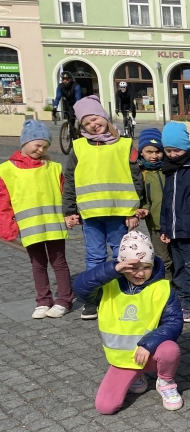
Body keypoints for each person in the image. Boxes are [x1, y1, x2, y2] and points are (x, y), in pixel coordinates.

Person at [73, 231, 184, 415]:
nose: (140, 273)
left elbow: (174, 322)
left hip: (149, 353)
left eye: (146, 267)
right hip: (124, 359)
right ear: (122, 266)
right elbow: (80, 286)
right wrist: (112, 269)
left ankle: (165, 381)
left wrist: (148, 344)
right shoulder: (108, 287)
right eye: (133, 267)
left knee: (170, 350)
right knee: (105, 407)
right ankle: (136, 376)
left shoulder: (163, 287)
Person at [62, 95, 145, 320]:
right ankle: (95, 299)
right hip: (90, 215)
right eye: (86, 123)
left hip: (119, 213)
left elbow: (136, 178)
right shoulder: (79, 148)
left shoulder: (124, 145)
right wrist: (69, 211)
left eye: (95, 118)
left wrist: (134, 209)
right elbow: (70, 181)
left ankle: (121, 294)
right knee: (95, 257)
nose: (92, 124)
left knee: (121, 254)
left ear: (104, 117)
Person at [0, 120, 74, 318]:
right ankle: (43, 301)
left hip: (54, 225)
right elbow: (3, 200)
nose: (41, 150)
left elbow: (65, 194)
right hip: (30, 227)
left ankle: (64, 300)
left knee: (59, 262)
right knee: (38, 264)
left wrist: (70, 214)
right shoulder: (6, 170)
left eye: (45, 147)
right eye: (38, 145)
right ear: (25, 142)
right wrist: (7, 226)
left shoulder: (54, 167)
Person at [159, 122, 190, 324]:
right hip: (174, 230)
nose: (172, 154)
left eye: (176, 150)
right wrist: (165, 227)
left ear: (186, 146)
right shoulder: (169, 169)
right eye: (168, 150)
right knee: (178, 267)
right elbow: (166, 202)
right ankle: (183, 298)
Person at [137, 128, 173, 279]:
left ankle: (180, 284)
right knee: (163, 258)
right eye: (149, 152)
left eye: (158, 151)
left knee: (177, 255)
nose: (154, 156)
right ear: (141, 152)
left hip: (175, 221)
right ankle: (167, 285)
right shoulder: (140, 173)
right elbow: (142, 197)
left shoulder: (169, 169)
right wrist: (144, 208)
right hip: (156, 224)